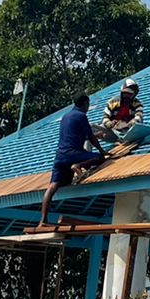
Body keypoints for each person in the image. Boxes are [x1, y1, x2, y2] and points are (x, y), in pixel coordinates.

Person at [37, 93, 107, 226]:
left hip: (60, 156)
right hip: (74, 154)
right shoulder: (81, 116)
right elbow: (90, 137)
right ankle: (78, 166)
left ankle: (43, 220)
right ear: (85, 103)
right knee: (98, 158)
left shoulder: (66, 116)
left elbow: (76, 135)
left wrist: (96, 135)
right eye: (88, 104)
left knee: (52, 186)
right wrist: (102, 151)